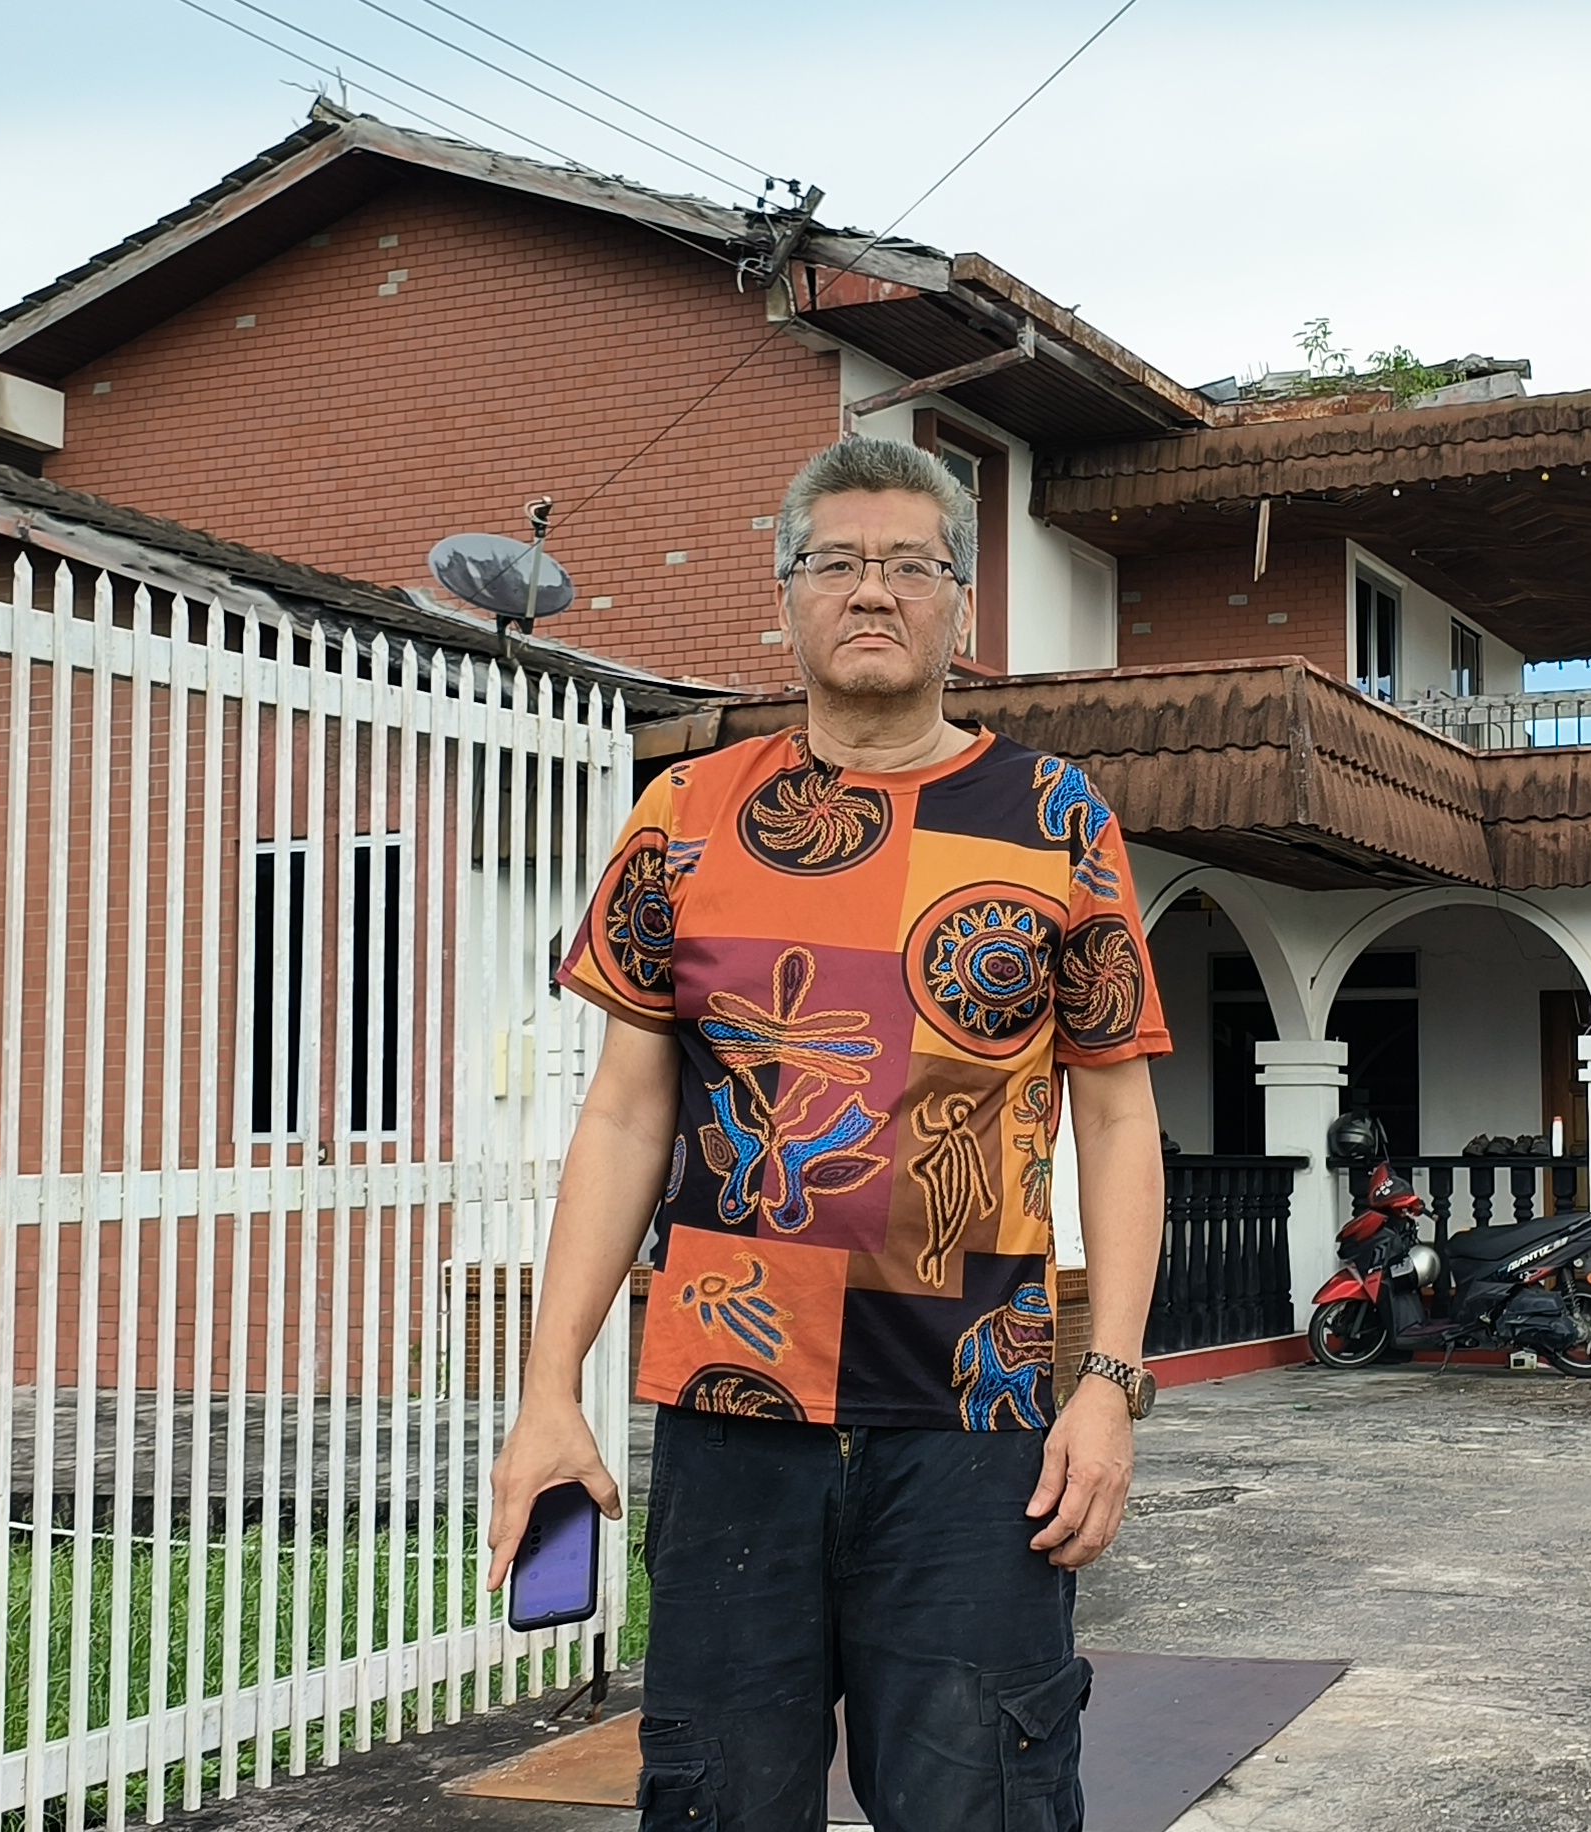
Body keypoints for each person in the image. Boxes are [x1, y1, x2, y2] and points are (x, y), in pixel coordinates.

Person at [484, 437, 1172, 1832]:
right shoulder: (685, 816)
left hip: (980, 1420)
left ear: (961, 604)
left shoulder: (1056, 818)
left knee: (983, 1804)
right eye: (838, 562)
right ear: (785, 595)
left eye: (912, 565)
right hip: (733, 1408)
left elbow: (1116, 1114)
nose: (873, 591)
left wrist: (1107, 1385)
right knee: (722, 1800)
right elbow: (624, 1113)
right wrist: (550, 1390)